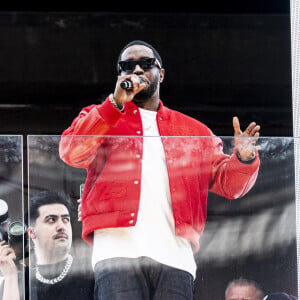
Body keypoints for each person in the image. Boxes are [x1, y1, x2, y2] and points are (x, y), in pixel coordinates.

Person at [59, 40, 261, 300]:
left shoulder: (194, 132)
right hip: (116, 253)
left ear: (161, 74)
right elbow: (72, 152)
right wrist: (114, 103)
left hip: (175, 256)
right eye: (128, 66)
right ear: (120, 76)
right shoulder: (100, 116)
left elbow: (229, 184)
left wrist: (244, 158)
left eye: (146, 64)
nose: (138, 70)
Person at [0, 190, 94, 300]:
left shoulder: (89, 269)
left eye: (66, 220)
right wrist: (10, 276)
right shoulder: (19, 280)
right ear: (31, 232)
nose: (61, 226)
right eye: (51, 220)